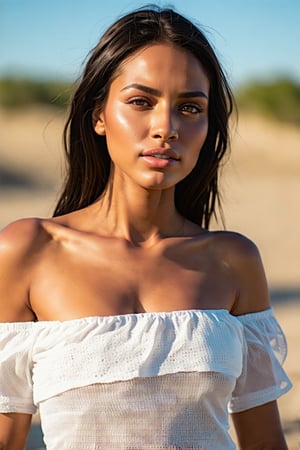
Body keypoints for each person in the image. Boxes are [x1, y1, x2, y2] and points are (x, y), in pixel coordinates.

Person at [0, 6, 292, 450]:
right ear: (98, 115)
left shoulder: (233, 260)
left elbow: (264, 442)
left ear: (207, 126)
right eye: (141, 102)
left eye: (190, 108)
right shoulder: (29, 250)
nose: (167, 128)